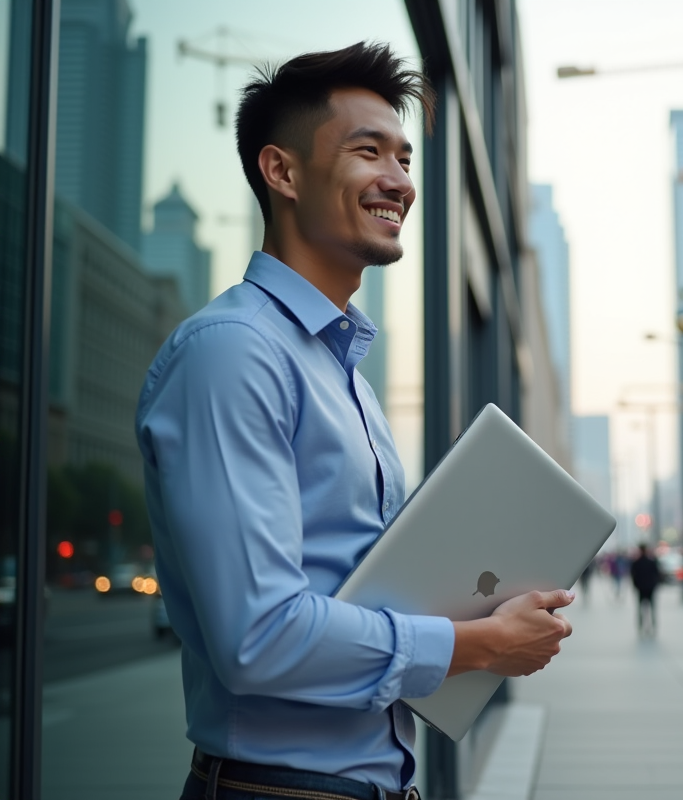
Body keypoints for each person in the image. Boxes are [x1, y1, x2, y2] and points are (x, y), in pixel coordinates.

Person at [135, 42, 574, 800]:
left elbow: (356, 590)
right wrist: (475, 644)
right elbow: (258, 637)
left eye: (405, 159)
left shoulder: (345, 376)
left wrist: (492, 612)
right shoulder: (233, 355)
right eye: (369, 152)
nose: (399, 181)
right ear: (282, 172)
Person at [629, 544, 662, 636]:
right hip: (650, 588)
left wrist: (636, 586)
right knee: (651, 608)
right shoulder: (651, 562)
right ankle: (653, 625)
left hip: (641, 588)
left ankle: (641, 625)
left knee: (640, 608)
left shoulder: (636, 563)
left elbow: (633, 576)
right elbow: (657, 575)